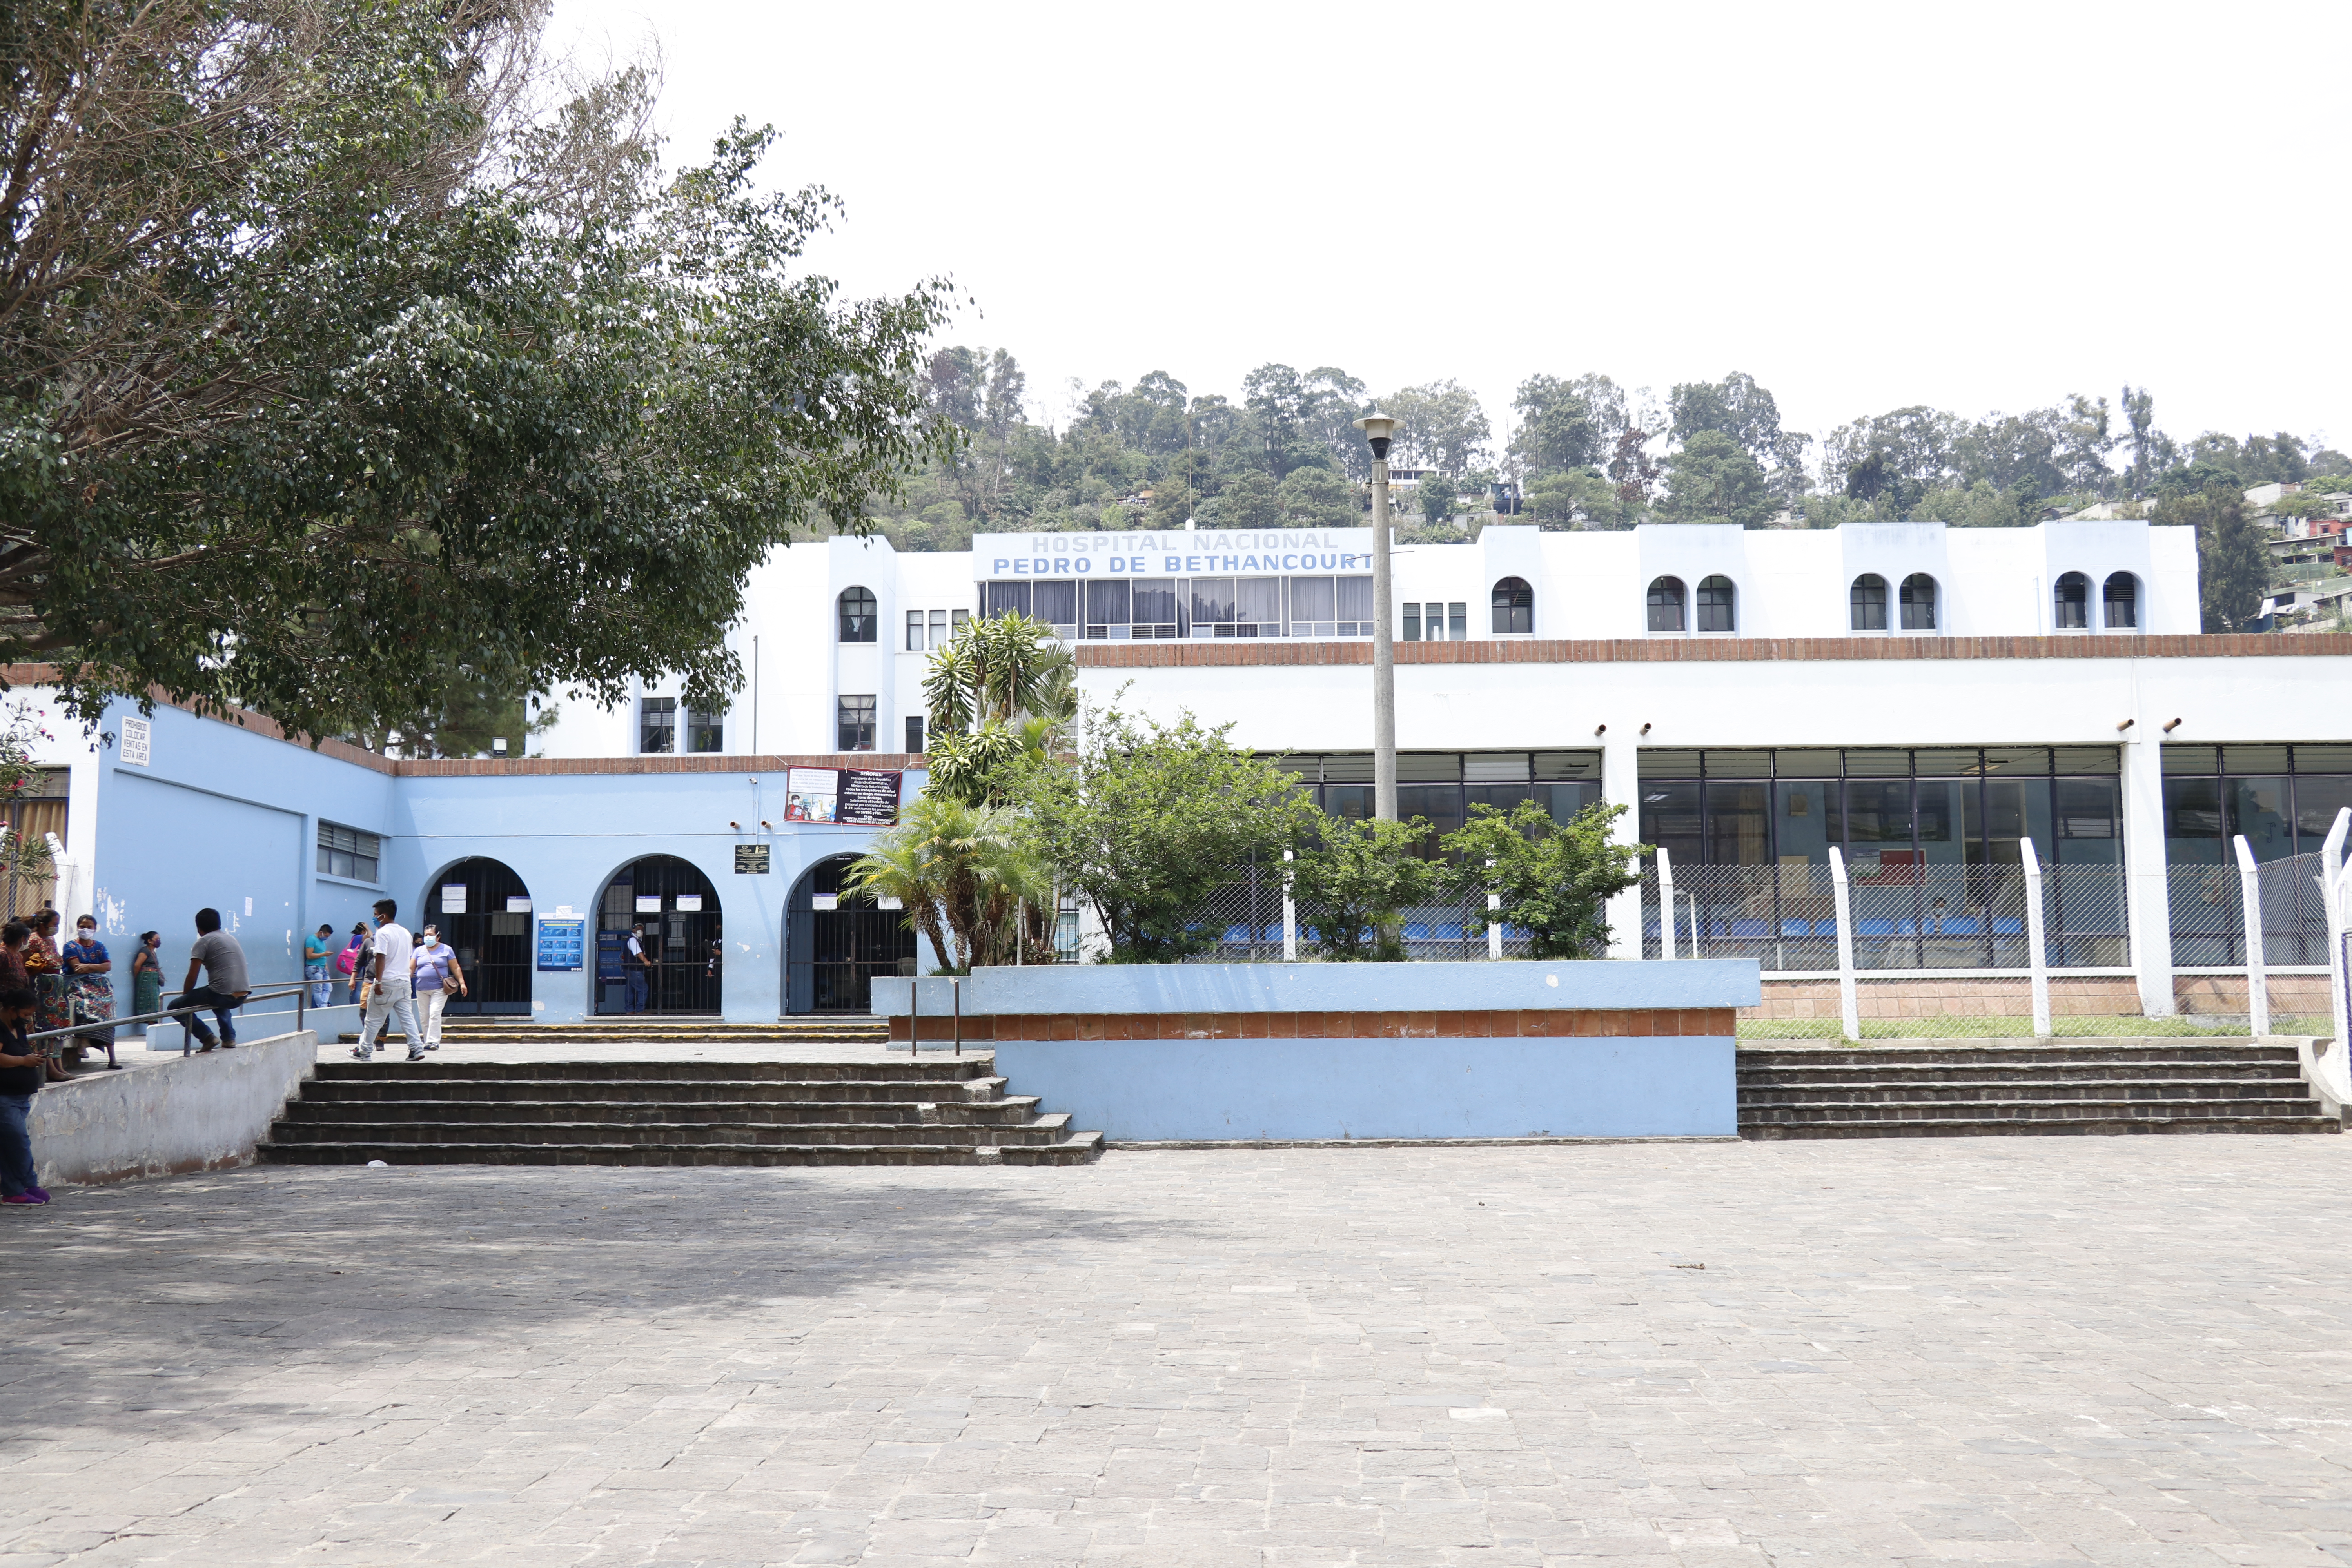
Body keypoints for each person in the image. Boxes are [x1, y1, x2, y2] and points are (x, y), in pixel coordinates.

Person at [352, 898, 420, 1062]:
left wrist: (379, 982)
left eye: (375, 915)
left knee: (373, 1019)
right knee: (407, 1018)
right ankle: (416, 1048)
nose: (374, 918)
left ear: (383, 916)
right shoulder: (405, 932)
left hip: (387, 982)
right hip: (404, 982)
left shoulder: (383, 933)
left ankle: (364, 1051)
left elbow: (381, 957)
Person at [173, 907, 250, 1052]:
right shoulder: (230, 938)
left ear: (199, 928)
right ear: (219, 924)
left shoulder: (203, 942)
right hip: (243, 994)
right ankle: (229, 1038)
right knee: (219, 994)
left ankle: (207, 1037)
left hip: (222, 994)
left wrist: (186, 998)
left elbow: (192, 976)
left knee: (174, 1007)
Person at [0, 986, 49, 1206]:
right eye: (25, 1014)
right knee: (19, 1142)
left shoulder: (17, 1028)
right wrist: (23, 1062)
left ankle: (21, 1188)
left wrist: (33, 1057)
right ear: (12, 1010)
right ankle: (22, 1186)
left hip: (21, 1098)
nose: (27, 1019)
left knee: (11, 1145)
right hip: (5, 1098)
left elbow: (19, 1050)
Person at [61, 915, 117, 1071]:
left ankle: (112, 1057)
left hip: (99, 982)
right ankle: (83, 1041)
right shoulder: (70, 946)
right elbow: (77, 968)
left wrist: (90, 967)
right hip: (76, 981)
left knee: (108, 1003)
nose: (86, 930)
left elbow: (108, 966)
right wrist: (97, 966)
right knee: (87, 1001)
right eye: (83, 926)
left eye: (90, 927)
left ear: (95, 928)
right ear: (78, 927)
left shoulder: (99, 946)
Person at [409, 923, 466, 1051]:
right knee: (424, 1017)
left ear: (438, 936)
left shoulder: (447, 950)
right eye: (426, 935)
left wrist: (462, 983)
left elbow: (456, 967)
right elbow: (411, 968)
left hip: (440, 989)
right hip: (421, 989)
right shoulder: (419, 951)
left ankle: (433, 1041)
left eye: (431, 935)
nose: (427, 938)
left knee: (434, 1013)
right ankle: (427, 1041)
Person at [128, 932, 163, 1034]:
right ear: (150, 941)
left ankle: (153, 1028)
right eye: (156, 939)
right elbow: (137, 965)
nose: (159, 941)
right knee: (150, 1003)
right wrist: (138, 978)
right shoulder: (145, 951)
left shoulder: (152, 952)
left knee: (155, 1003)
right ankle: (152, 1028)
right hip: (147, 980)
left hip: (152, 980)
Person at [303, 923, 336, 1008]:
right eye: (326, 936)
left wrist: (326, 965)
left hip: (322, 968)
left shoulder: (322, 942)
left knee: (328, 988)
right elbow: (309, 955)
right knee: (318, 989)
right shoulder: (311, 940)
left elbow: (322, 955)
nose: (326, 938)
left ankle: (323, 1005)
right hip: (314, 968)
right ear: (321, 932)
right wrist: (324, 955)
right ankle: (321, 1006)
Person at [339, 922, 370, 1007]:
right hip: (359, 965)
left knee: (355, 987)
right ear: (363, 931)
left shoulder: (355, 938)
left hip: (355, 964)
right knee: (359, 987)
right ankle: (357, 1005)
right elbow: (370, 936)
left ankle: (353, 1003)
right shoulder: (359, 937)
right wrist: (368, 929)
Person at [624, 922, 652, 1014]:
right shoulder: (633, 940)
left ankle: (630, 1010)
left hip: (630, 969)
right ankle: (640, 1011)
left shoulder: (637, 940)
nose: (641, 932)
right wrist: (646, 961)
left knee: (630, 990)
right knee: (644, 989)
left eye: (642, 930)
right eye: (639, 930)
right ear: (633, 931)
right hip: (634, 970)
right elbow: (638, 952)